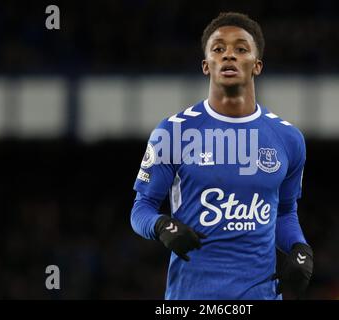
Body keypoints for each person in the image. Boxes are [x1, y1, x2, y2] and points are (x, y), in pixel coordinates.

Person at [130, 12, 313, 300]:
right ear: (206, 66)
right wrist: (162, 225)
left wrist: (300, 249)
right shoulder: (172, 132)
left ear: (257, 65)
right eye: (218, 49)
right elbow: (141, 208)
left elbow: (285, 213)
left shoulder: (289, 139)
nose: (229, 55)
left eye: (241, 49)